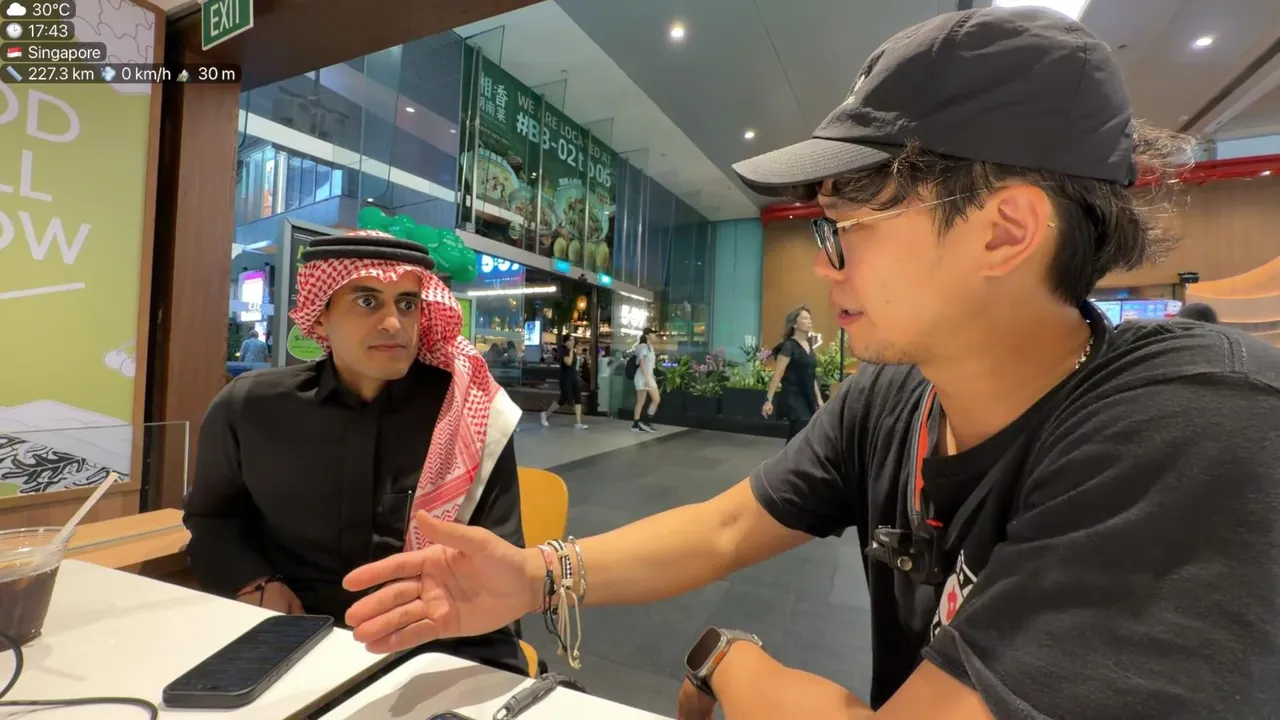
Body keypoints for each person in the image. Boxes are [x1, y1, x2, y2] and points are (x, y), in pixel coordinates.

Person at [338, 8, 1280, 720]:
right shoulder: (897, 398)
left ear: (1005, 230)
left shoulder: (1197, 427)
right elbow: (725, 527)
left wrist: (728, 659)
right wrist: (536, 574)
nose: (825, 264)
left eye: (843, 225)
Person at [183, 230, 527, 676]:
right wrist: (255, 583)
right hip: (299, 637)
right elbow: (212, 519)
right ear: (319, 318)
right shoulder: (250, 408)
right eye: (368, 302)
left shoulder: (469, 410)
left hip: (445, 642)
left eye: (408, 303)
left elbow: (500, 561)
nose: (394, 323)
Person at [763, 306, 824, 441]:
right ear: (795, 324)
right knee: (799, 434)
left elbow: (811, 376)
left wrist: (819, 400)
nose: (809, 321)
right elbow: (778, 374)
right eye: (805, 318)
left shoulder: (809, 346)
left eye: (810, 318)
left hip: (807, 397)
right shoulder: (789, 346)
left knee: (800, 438)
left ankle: (790, 454)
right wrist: (769, 400)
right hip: (793, 397)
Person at [539, 334, 588, 429]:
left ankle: (578, 422)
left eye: (573, 340)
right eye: (571, 340)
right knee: (564, 398)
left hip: (573, 376)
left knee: (578, 397)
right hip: (566, 377)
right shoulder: (563, 351)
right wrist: (571, 350)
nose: (572, 342)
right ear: (566, 341)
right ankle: (546, 414)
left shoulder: (572, 351)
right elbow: (568, 362)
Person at [631, 331, 660, 432]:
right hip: (643, 377)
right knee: (641, 401)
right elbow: (642, 364)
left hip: (648, 377)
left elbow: (649, 365)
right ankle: (638, 423)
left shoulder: (650, 347)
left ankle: (644, 421)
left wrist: (651, 376)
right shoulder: (643, 347)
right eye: (653, 333)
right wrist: (647, 378)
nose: (655, 335)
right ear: (647, 335)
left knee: (656, 399)